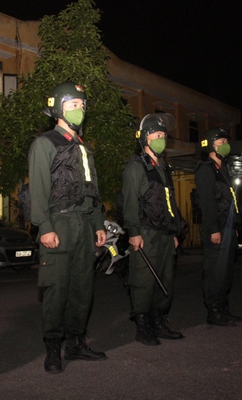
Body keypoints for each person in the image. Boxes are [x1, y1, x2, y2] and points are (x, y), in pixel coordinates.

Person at [28, 82, 108, 374]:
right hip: (58, 223)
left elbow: (92, 189)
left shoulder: (84, 148)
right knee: (56, 288)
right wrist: (45, 226)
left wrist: (98, 223)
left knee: (82, 288)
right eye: (73, 104)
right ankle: (53, 348)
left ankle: (76, 342)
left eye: (82, 105)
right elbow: (38, 190)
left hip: (85, 224)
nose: (79, 109)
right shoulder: (45, 143)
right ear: (58, 108)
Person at [122, 113, 185, 346]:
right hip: (146, 233)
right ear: (144, 138)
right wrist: (134, 232)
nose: (161, 139)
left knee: (165, 279)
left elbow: (171, 202)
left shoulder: (164, 167)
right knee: (144, 280)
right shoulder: (136, 167)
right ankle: (143, 325)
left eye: (163, 135)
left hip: (166, 234)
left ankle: (159, 321)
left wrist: (175, 232)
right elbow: (130, 202)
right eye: (156, 135)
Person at [194, 127, 242, 327]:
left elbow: (231, 199)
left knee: (226, 272)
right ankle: (214, 312)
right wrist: (214, 228)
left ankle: (224, 308)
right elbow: (207, 202)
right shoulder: (205, 169)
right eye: (221, 141)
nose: (225, 145)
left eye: (226, 141)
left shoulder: (224, 168)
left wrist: (235, 224)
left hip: (228, 227)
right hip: (216, 229)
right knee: (215, 272)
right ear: (210, 145)